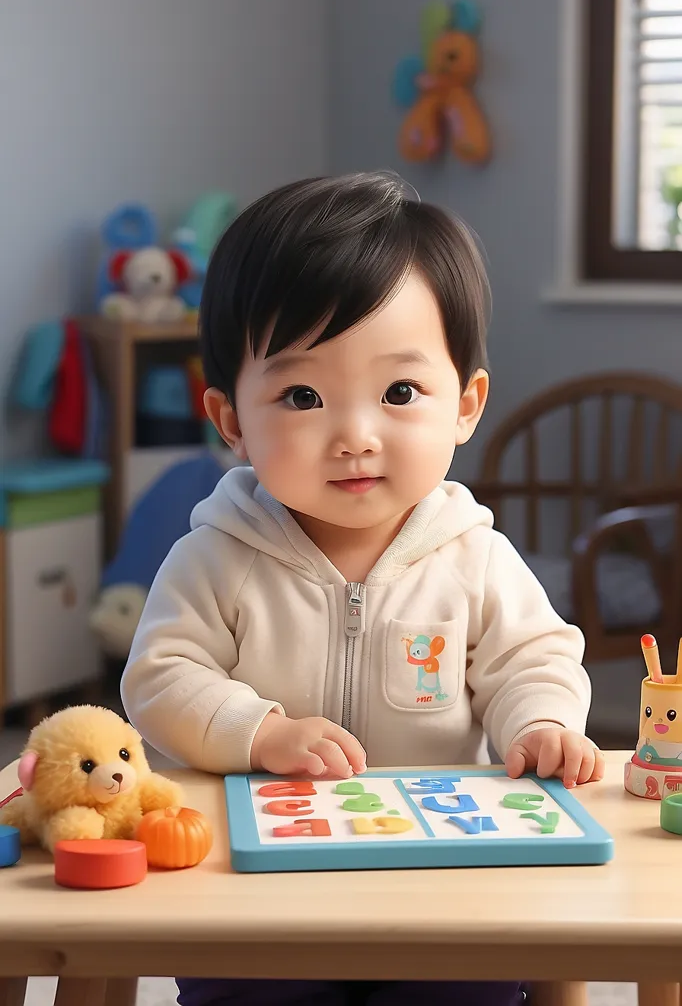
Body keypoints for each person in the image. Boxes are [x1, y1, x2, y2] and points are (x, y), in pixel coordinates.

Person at [121, 172, 603, 1006]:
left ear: (466, 404)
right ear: (230, 417)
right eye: (303, 395)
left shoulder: (472, 558)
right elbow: (159, 681)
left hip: (443, 884)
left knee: (473, 989)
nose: (355, 435)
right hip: (258, 887)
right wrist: (259, 731)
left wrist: (544, 724)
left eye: (400, 392)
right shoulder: (216, 556)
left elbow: (535, 657)